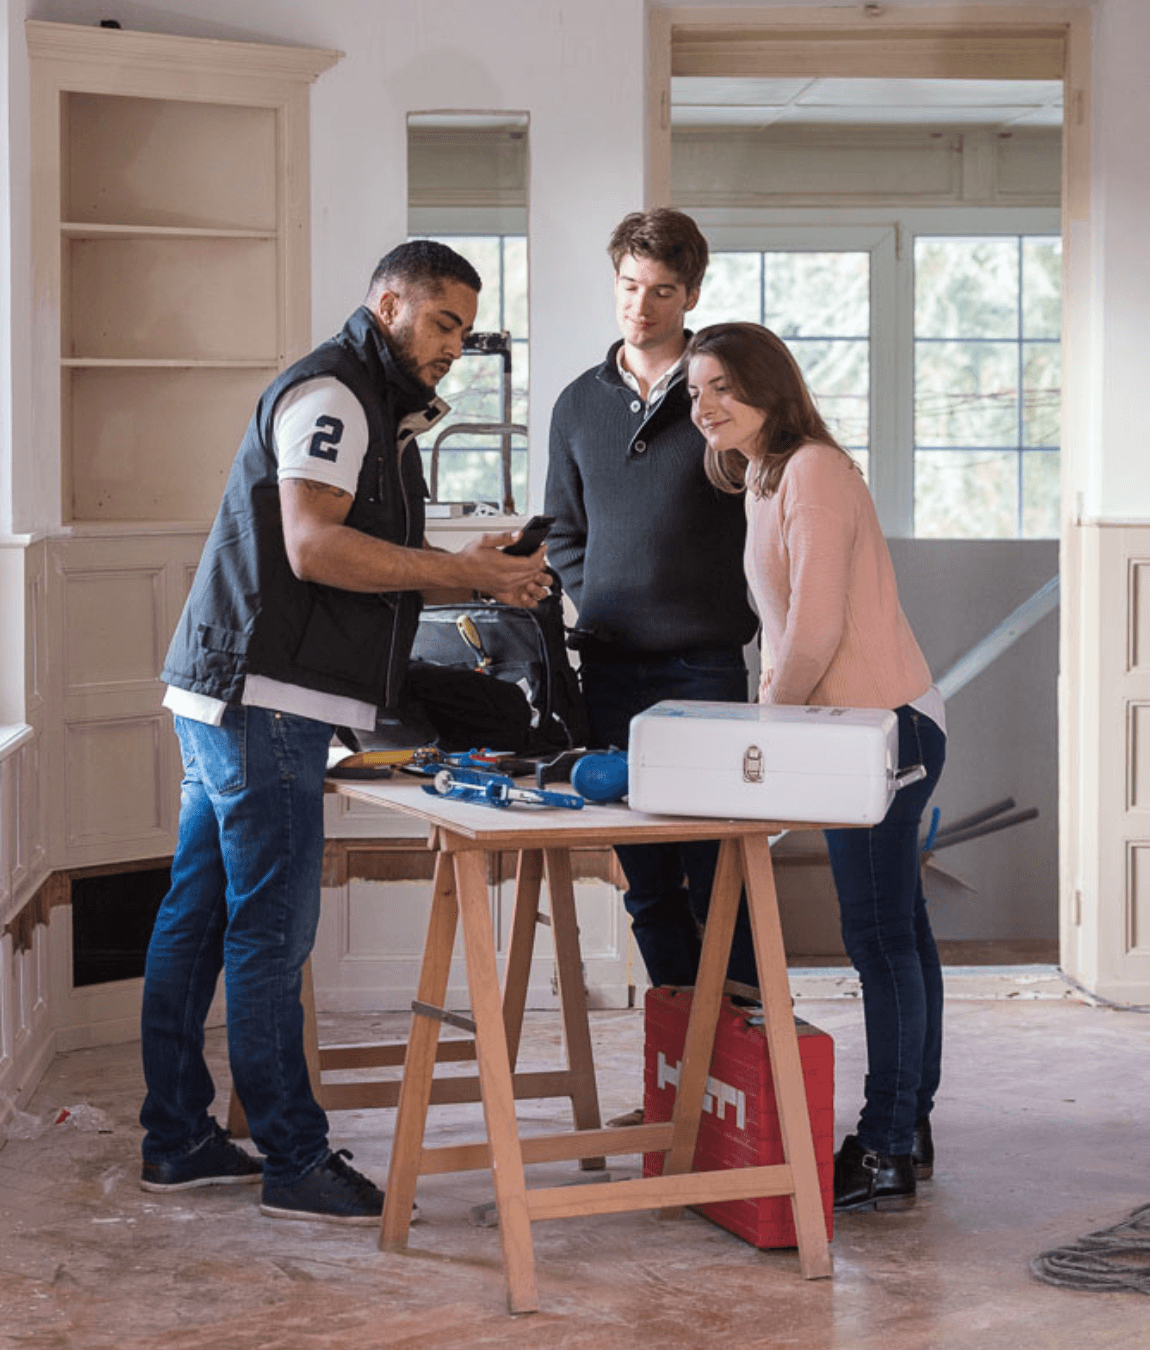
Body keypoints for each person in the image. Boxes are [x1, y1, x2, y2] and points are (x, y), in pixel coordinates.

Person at [139, 240, 551, 1225]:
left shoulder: (365, 400)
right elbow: (313, 546)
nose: (454, 344)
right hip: (266, 697)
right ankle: (293, 1158)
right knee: (270, 933)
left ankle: (177, 1137)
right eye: (441, 321)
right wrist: (471, 578)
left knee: (199, 918)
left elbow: (343, 540)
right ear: (387, 303)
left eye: (462, 326)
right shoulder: (334, 396)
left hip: (231, 688)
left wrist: (461, 557)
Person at [686, 321, 947, 1213]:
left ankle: (882, 1148)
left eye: (721, 384)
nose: (703, 404)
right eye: (693, 391)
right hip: (853, 730)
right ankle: (905, 1125)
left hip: (884, 729)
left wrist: (762, 742)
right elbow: (788, 630)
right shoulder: (764, 479)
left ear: (768, 384)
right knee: (899, 931)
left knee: (878, 937)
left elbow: (819, 628)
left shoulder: (814, 471)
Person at [544, 208, 760, 996]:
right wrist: (602, 602)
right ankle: (680, 1068)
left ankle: (742, 1081)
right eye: (630, 286)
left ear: (692, 295)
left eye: (663, 291)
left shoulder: (724, 399)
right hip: (605, 670)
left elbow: (770, 521)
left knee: (720, 881)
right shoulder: (576, 405)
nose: (642, 307)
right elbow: (564, 533)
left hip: (704, 670)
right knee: (647, 889)